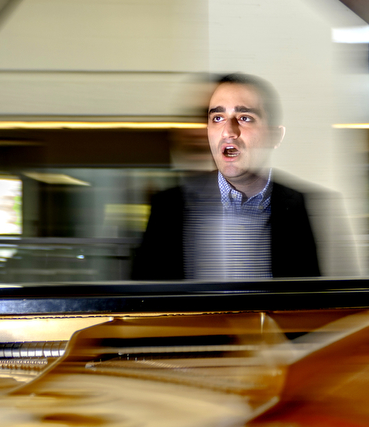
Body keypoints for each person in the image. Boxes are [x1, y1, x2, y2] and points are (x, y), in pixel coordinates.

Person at [132, 74, 320, 280]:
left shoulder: (301, 205)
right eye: (217, 118)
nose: (228, 131)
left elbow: (314, 300)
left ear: (274, 136)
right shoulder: (168, 206)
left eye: (245, 118)